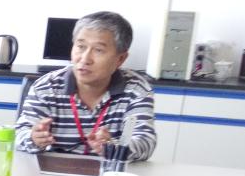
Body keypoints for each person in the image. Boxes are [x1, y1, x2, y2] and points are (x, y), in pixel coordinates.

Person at [15, 11, 157, 161]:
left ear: (120, 59)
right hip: (52, 170)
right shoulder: (47, 87)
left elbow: (145, 142)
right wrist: (33, 138)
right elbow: (19, 134)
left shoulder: (136, 90)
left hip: (108, 171)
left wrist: (113, 148)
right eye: (81, 46)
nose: (85, 58)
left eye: (98, 50)